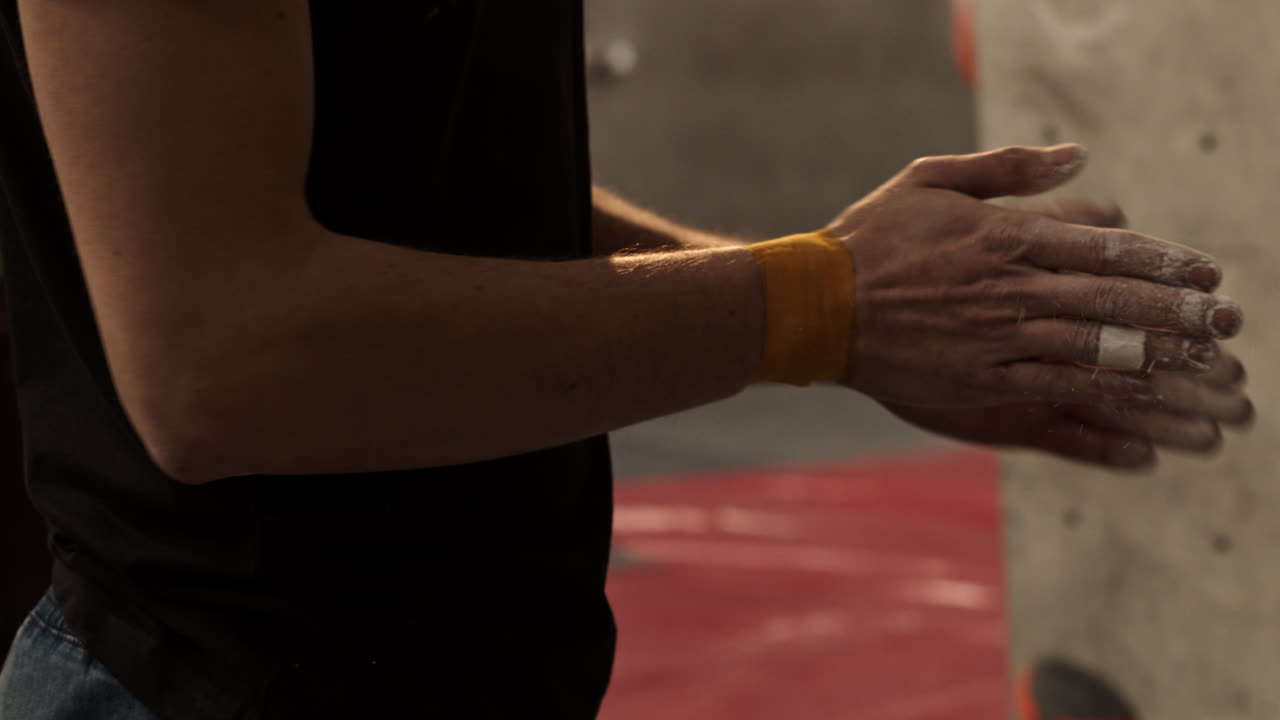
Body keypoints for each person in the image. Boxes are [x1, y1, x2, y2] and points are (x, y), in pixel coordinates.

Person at [0, 1, 1251, 719]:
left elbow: (446, 197)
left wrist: (857, 313)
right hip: (208, 681)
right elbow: (219, 362)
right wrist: (825, 304)